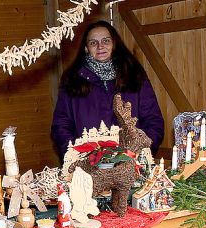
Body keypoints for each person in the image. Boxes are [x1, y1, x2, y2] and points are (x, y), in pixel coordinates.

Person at [50, 20, 164, 159]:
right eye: (93, 43)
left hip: (132, 161)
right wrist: (76, 156)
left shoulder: (134, 75)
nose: (100, 46)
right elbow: (61, 125)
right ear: (86, 48)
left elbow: (153, 120)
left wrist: (140, 153)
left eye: (106, 41)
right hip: (87, 163)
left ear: (114, 44)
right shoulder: (72, 80)